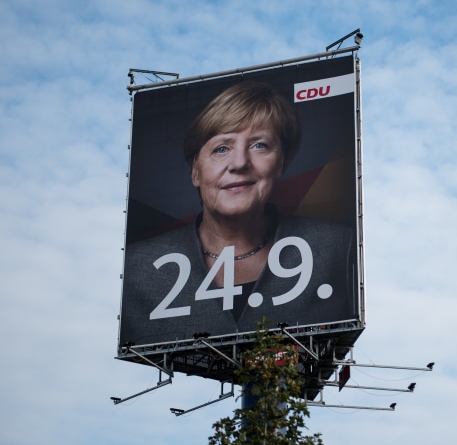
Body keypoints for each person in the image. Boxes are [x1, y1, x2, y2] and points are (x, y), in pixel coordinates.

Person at [120, 82, 357, 347]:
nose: (240, 163)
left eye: (259, 145)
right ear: (195, 172)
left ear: (281, 163)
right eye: (222, 148)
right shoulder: (137, 268)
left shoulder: (339, 247)